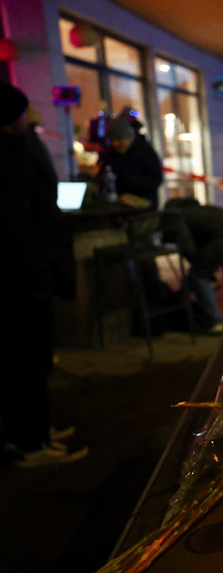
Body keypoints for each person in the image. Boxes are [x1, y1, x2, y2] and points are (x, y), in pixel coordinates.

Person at [0, 81, 87, 468]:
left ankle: (37, 430)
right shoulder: (6, 160)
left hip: (24, 275)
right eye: (23, 111)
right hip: (20, 281)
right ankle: (30, 442)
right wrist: (38, 276)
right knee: (26, 361)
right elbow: (16, 225)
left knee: (32, 360)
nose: (29, 118)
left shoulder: (15, 150)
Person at [161, 198, 223, 333]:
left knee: (198, 276)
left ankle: (214, 322)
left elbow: (187, 245)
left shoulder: (180, 215)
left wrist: (199, 265)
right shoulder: (202, 210)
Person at [106, 117, 164, 210]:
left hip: (143, 205)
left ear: (128, 138)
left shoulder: (145, 151)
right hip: (119, 204)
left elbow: (156, 180)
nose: (115, 144)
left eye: (119, 140)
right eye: (112, 141)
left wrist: (130, 182)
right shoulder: (112, 153)